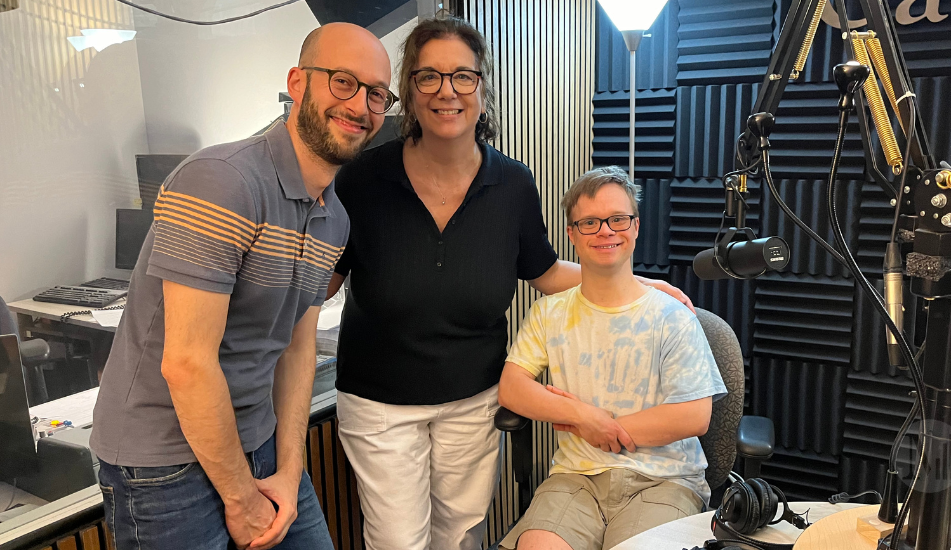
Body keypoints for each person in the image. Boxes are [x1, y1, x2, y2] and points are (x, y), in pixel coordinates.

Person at [324, 16, 695, 550]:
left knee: (461, 536)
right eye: (428, 77)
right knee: (398, 540)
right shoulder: (361, 177)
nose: (446, 91)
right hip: (380, 402)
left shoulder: (513, 183)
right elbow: (323, 280)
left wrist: (635, 286)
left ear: (481, 87)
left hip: (473, 396)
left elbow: (545, 272)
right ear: (409, 89)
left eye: (462, 76)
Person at [89, 23, 394, 550]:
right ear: (298, 83)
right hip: (163, 464)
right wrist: (241, 498)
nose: (360, 105)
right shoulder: (222, 181)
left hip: (260, 441)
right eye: (343, 82)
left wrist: (290, 466)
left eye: (376, 95)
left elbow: (296, 350)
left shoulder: (333, 219)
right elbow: (187, 364)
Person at [495, 166, 727, 550]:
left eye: (617, 219)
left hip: (664, 481)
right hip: (576, 478)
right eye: (589, 222)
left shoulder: (672, 316)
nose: (605, 230)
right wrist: (583, 417)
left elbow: (693, 415)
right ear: (571, 234)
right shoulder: (548, 313)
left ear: (635, 226)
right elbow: (512, 389)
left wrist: (604, 427)